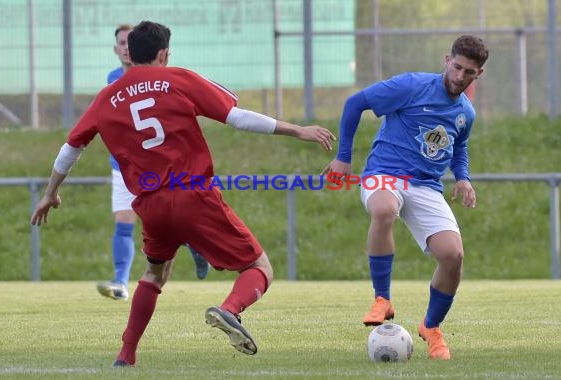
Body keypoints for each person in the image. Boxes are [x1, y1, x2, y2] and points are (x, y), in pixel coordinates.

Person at [31, 20, 335, 366]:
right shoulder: (177, 79)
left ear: (131, 51)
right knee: (259, 266)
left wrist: (50, 193)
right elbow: (237, 118)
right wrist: (297, 130)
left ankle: (126, 355)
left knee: (154, 274)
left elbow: (71, 148)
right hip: (193, 196)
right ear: (162, 54)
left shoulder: (107, 97)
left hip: (150, 204)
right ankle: (229, 310)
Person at [322, 35, 488, 360]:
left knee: (453, 256)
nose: (459, 76)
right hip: (384, 173)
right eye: (456, 67)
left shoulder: (465, 113)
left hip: (426, 185)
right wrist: (344, 157)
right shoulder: (411, 86)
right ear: (446, 60)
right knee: (383, 210)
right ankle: (382, 299)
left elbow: (460, 146)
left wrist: (464, 178)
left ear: (478, 75)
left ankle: (431, 327)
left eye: (469, 72)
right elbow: (356, 103)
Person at [97, 24, 210, 302]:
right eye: (120, 43)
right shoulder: (112, 80)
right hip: (123, 168)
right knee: (124, 221)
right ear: (116, 49)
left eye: (128, 42)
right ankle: (120, 283)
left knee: (165, 222)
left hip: (156, 169)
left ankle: (193, 243)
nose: (125, 47)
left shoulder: (161, 78)